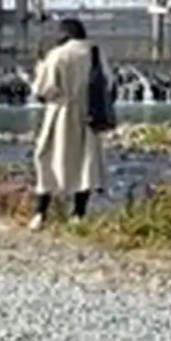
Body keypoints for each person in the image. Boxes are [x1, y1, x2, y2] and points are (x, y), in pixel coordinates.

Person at [25, 16, 109, 228]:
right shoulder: (95, 52)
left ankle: (40, 214)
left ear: (64, 34)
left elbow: (42, 91)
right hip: (89, 113)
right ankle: (78, 214)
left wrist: (39, 70)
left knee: (48, 158)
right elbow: (108, 81)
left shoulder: (57, 55)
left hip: (61, 113)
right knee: (86, 163)